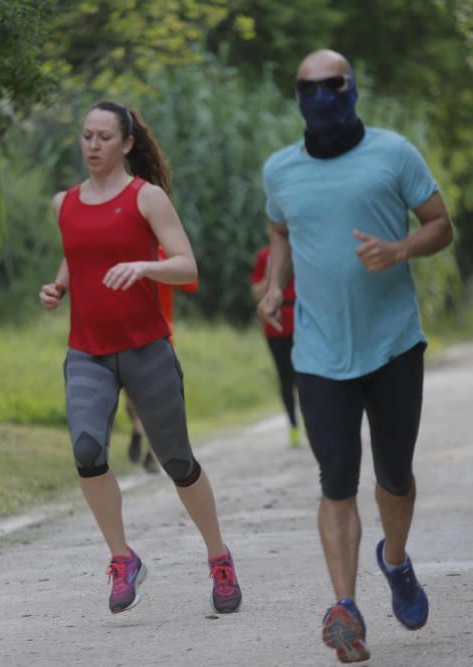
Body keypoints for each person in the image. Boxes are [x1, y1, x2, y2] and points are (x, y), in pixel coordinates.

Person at [257, 50, 454, 663]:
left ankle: (394, 561)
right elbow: (282, 230)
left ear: (352, 89)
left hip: (393, 344)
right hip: (317, 352)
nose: (320, 97)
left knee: (394, 475)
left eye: (331, 86)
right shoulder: (280, 170)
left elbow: (441, 224)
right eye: (307, 87)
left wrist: (398, 251)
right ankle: (345, 607)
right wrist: (273, 284)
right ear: (297, 95)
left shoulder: (394, 153)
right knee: (336, 478)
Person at [38, 100, 241, 615]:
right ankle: (122, 558)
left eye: (104, 137)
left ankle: (219, 558)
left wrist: (143, 268)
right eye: (86, 136)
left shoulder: (146, 199)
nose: (92, 145)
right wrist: (59, 286)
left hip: (147, 347)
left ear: (126, 144)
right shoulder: (63, 203)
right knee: (87, 451)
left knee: (176, 460)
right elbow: (76, 248)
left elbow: (186, 265)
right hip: (87, 351)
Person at [127, 247, 199, 471]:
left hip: (143, 332)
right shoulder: (156, 253)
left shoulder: (159, 251)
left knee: (140, 395)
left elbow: (191, 283)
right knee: (144, 397)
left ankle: (143, 437)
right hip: (143, 333)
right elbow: (191, 284)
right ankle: (145, 441)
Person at [251, 244, 300, 447]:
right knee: (284, 377)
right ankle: (293, 424)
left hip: (300, 321)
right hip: (275, 324)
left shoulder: (302, 248)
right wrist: (273, 274)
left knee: (304, 375)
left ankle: (312, 421)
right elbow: (256, 293)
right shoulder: (264, 256)